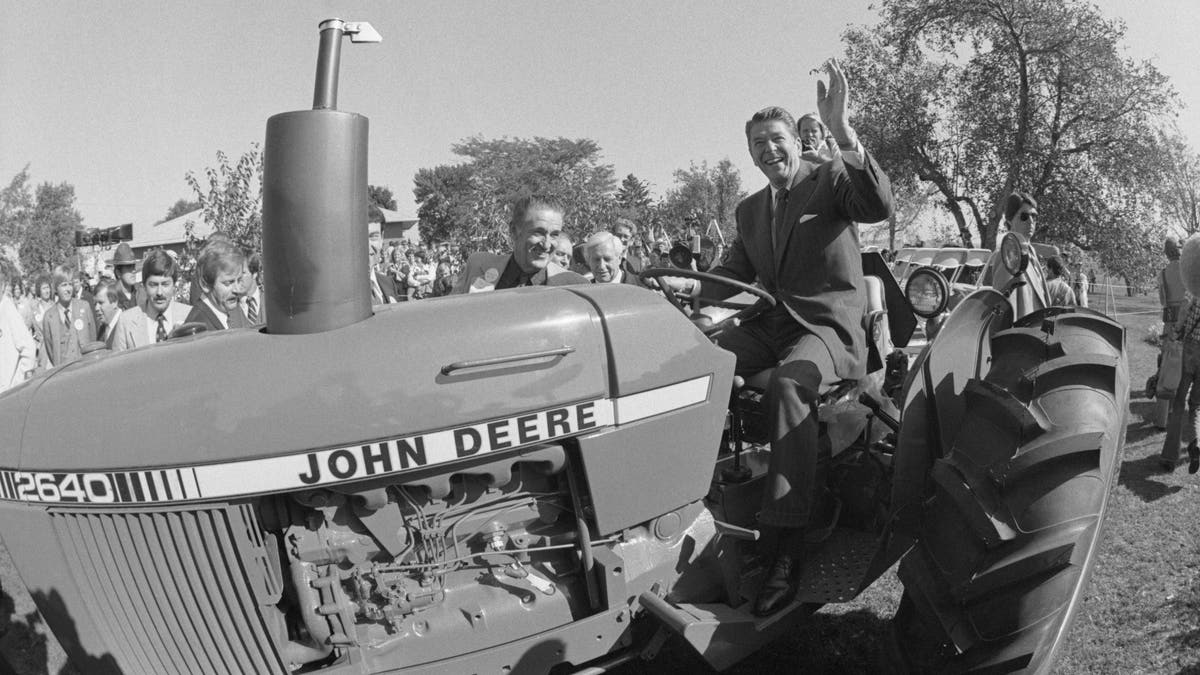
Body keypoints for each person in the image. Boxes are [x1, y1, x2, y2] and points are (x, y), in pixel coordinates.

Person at [698, 60, 892, 616]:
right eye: (758, 143)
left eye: (776, 138)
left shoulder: (830, 179)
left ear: (794, 142)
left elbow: (877, 205)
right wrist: (684, 301)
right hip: (772, 323)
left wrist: (846, 133)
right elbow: (732, 275)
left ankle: (785, 546)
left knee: (791, 385)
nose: (768, 150)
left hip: (827, 326)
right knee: (693, 361)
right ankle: (697, 493)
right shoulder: (750, 209)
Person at [453, 195, 589, 293]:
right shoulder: (478, 266)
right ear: (513, 231)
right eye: (538, 232)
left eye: (554, 235)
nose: (547, 245)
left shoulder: (576, 286)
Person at [110, 249, 192, 350]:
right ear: (144, 286)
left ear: (174, 286)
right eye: (153, 285)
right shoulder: (126, 321)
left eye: (165, 284)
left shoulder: (189, 316)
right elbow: (119, 363)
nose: (159, 292)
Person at [1161, 289, 1200, 473]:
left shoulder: (1194, 287)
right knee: (1197, 406)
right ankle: (1196, 445)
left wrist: (1176, 331)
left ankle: (1169, 457)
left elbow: (1184, 311)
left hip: (1190, 349)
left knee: (1178, 403)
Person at [40, 265, 97, 368]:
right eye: (63, 285)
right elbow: (50, 350)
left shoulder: (84, 307)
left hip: (86, 367)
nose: (68, 289)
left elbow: (92, 336)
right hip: (64, 372)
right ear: (56, 288)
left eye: (70, 284)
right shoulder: (49, 317)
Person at [186, 244, 248, 331]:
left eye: (239, 280)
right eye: (228, 283)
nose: (237, 290)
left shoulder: (230, 314)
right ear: (205, 285)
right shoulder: (199, 330)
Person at [0, 258, 36, 391]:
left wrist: (15, 384)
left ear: (3, 285)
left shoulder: (7, 308)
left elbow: (29, 349)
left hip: (6, 394)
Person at [111, 242, 141, 310]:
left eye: (133, 267)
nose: (133, 271)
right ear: (118, 273)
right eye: (129, 267)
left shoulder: (142, 292)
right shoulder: (111, 296)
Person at [93, 280, 122, 347]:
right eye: (95, 304)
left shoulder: (126, 325)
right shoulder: (102, 329)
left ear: (114, 302)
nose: (96, 308)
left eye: (101, 303)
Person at [241, 252, 265, 325]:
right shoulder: (229, 306)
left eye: (243, 273)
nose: (238, 278)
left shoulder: (271, 302)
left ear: (254, 274)